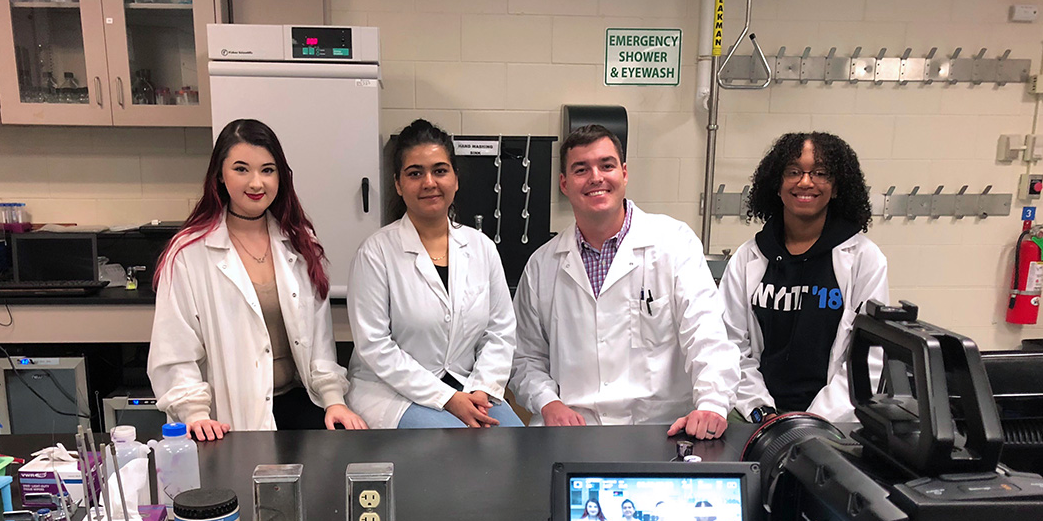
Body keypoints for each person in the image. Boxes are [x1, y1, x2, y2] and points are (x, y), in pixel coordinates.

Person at [510, 124, 740, 439]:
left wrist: (712, 403)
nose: (596, 177)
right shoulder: (543, 264)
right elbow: (524, 356)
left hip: (660, 431)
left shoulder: (674, 243)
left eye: (607, 165)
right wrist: (547, 402)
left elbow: (706, 335)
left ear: (625, 172)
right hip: (574, 431)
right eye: (581, 169)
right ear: (564, 184)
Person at [148, 118, 367, 441]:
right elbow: (175, 347)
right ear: (219, 176)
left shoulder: (299, 241)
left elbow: (319, 340)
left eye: (267, 170)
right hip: (227, 417)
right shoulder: (190, 251)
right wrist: (195, 413)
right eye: (241, 169)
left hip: (299, 401)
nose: (256, 183)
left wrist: (334, 401)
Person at [346, 119, 522, 429]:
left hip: (468, 387)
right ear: (399, 184)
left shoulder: (480, 247)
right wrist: (448, 399)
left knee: (517, 444)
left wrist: (481, 389)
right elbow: (375, 345)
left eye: (440, 170)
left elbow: (500, 332)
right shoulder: (375, 253)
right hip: (393, 394)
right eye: (415, 173)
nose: (429, 182)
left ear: (455, 178)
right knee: (455, 445)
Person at [719, 132, 889, 424]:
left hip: (835, 421)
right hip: (758, 418)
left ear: (836, 187)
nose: (806, 182)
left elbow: (869, 357)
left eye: (820, 173)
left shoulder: (863, 258)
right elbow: (730, 344)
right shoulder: (749, 258)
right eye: (793, 172)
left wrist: (814, 421)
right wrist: (764, 413)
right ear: (777, 184)